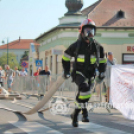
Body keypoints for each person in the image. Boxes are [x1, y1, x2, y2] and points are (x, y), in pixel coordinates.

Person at [62, 19, 107, 127]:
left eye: (92, 31)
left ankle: (75, 114)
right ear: (81, 32)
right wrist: (67, 71)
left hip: (91, 75)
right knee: (85, 89)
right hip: (78, 73)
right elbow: (65, 58)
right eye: (87, 30)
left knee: (85, 95)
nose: (90, 34)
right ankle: (83, 114)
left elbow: (103, 61)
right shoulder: (76, 46)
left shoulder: (98, 47)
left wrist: (102, 72)